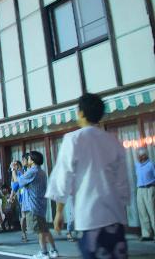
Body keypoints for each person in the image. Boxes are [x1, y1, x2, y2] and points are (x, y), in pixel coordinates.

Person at [46, 93, 131, 259]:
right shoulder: (113, 141)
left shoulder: (73, 139)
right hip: (115, 217)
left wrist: (59, 212)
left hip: (90, 217)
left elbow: (63, 178)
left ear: (81, 113)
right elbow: (122, 182)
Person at [13, 151, 58, 259]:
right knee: (45, 229)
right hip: (41, 204)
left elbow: (17, 183)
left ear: (32, 160)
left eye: (28, 159)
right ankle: (53, 250)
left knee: (40, 231)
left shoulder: (32, 171)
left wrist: (13, 170)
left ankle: (44, 253)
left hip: (33, 205)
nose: (27, 160)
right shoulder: (41, 171)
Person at [135, 147, 155, 241]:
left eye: (139, 155)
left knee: (152, 212)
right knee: (142, 213)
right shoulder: (137, 165)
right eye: (137, 155)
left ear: (144, 155)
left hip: (149, 189)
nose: (138, 157)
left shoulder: (151, 164)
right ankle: (147, 234)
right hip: (140, 190)